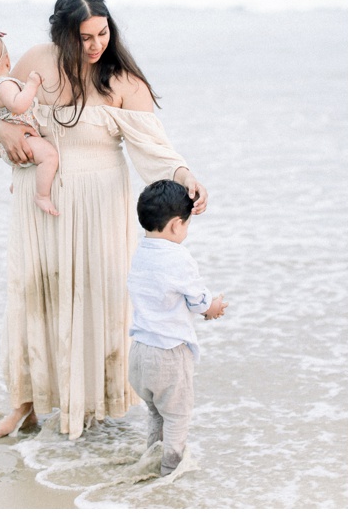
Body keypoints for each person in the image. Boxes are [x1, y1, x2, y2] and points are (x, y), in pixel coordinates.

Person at [0, 0, 209, 440]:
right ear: (62, 35)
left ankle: (91, 404)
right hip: (38, 202)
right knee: (32, 296)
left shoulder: (122, 81)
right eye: (83, 37)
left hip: (100, 205)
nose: (95, 45)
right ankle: (23, 408)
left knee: (96, 298)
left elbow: (154, 149)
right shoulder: (35, 63)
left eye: (102, 33)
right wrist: (0, 128)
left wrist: (184, 174)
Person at [128, 179, 228, 476]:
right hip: (169, 355)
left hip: (139, 353)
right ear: (175, 225)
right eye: (186, 225)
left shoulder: (140, 251)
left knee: (156, 413)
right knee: (177, 416)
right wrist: (215, 307)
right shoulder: (179, 257)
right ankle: (170, 470)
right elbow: (198, 300)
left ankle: (150, 457)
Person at [0, 30, 60, 216]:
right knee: (50, 156)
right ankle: (42, 195)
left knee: (30, 156)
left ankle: (15, 182)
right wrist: (32, 84)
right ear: (7, 60)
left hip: (10, 144)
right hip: (23, 138)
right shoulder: (4, 85)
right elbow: (18, 105)